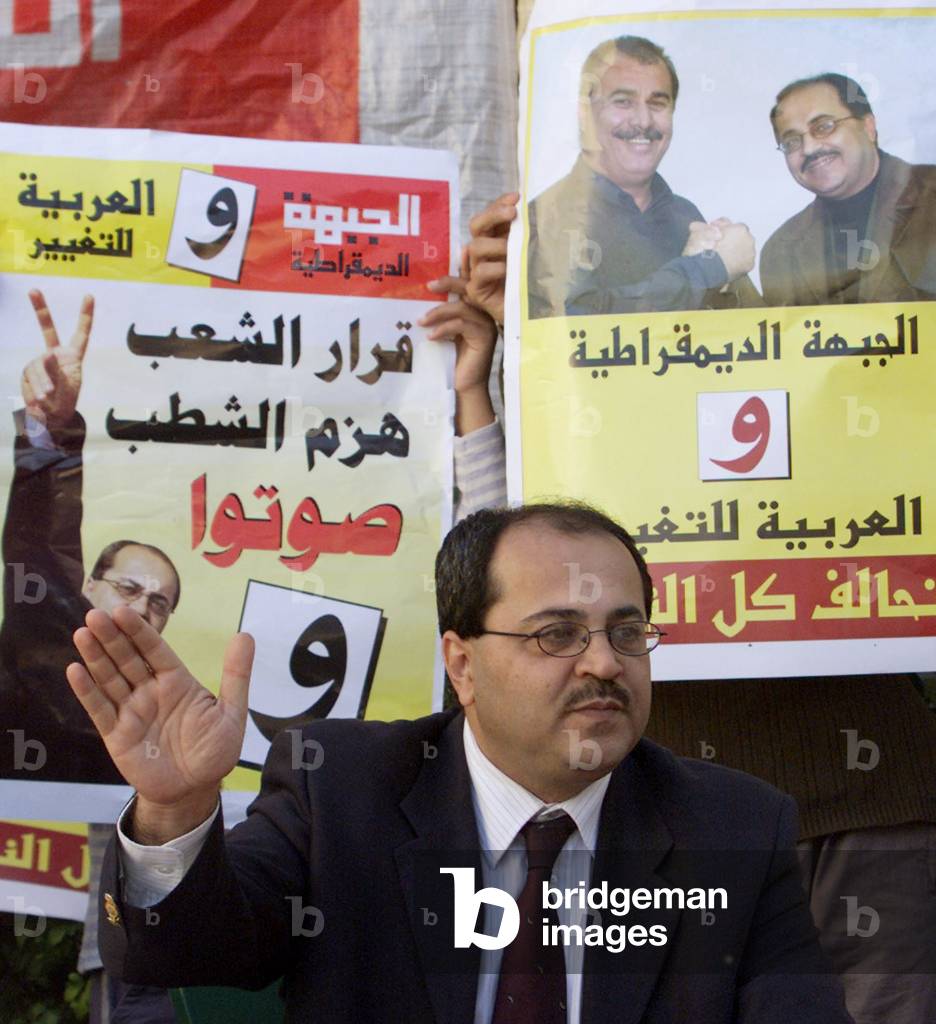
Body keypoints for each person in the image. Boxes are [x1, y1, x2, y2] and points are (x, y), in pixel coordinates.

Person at [74, 509, 851, 1022]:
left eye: (627, 633)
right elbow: (185, 954)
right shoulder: (342, 789)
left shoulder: (732, 825)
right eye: (557, 635)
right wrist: (174, 810)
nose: (606, 666)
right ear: (463, 664)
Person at [463, 193, 936, 1024]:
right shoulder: (585, 389)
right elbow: (511, 568)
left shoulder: (834, 352)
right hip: (667, 822)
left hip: (870, 807)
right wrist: (512, 358)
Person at [0, 290, 182, 1021]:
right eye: (129, 588)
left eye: (161, 603)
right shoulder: (49, 644)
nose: (142, 607)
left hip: (215, 956)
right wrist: (51, 434)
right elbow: (40, 551)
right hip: (121, 962)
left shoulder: (177, 716)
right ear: (89, 588)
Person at [528, 35, 761, 318]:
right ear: (584, 113)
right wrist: (708, 269)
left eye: (657, 103)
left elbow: (751, 339)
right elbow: (575, 327)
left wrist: (728, 281)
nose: (643, 121)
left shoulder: (685, 214)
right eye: (623, 101)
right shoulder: (545, 218)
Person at [760, 72, 936, 305]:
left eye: (824, 127)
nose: (809, 148)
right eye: (792, 141)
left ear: (868, 127)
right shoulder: (781, 251)